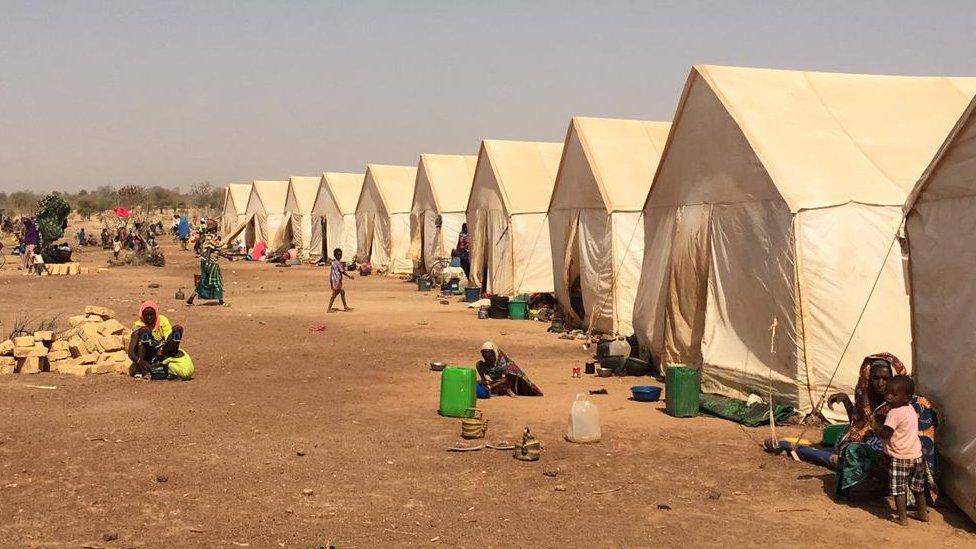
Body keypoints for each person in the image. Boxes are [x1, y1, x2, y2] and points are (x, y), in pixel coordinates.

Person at [878, 375, 928, 525]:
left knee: (899, 489)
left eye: (893, 394)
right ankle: (922, 514)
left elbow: (886, 433)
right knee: (918, 488)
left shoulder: (894, 413)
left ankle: (903, 518)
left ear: (906, 398)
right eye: (887, 393)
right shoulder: (910, 409)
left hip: (900, 458)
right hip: (916, 456)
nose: (888, 396)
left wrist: (876, 428)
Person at [127, 301, 184, 378]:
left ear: (156, 314)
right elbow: (131, 352)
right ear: (142, 315)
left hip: (160, 353)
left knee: (172, 337)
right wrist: (139, 361)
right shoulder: (138, 326)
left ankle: (175, 340)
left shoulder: (162, 321)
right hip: (144, 355)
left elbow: (167, 338)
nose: (149, 317)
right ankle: (142, 370)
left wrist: (174, 336)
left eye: (152, 314)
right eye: (146, 315)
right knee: (144, 335)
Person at [475, 342, 543, 397]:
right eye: (484, 354)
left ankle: (506, 390)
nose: (486, 357)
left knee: (506, 380)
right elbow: (480, 366)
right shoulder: (488, 362)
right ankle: (487, 385)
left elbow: (505, 379)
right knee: (478, 364)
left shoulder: (504, 362)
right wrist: (484, 380)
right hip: (495, 381)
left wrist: (491, 386)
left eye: (488, 355)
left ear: (493, 353)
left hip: (508, 382)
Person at [186, 235, 225, 306]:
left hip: (210, 264)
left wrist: (229, 257)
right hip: (209, 264)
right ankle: (221, 300)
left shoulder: (216, 246)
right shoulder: (211, 245)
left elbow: (220, 253)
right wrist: (207, 264)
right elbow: (207, 254)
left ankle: (191, 298)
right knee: (212, 281)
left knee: (205, 281)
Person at [327, 248, 354, 312]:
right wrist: (349, 276)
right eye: (338, 255)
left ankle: (345, 307)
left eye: (340, 255)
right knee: (334, 295)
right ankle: (329, 309)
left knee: (342, 292)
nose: (340, 256)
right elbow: (342, 271)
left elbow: (331, 274)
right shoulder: (337, 263)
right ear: (335, 255)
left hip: (336, 281)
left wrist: (331, 281)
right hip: (336, 281)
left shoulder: (333, 263)